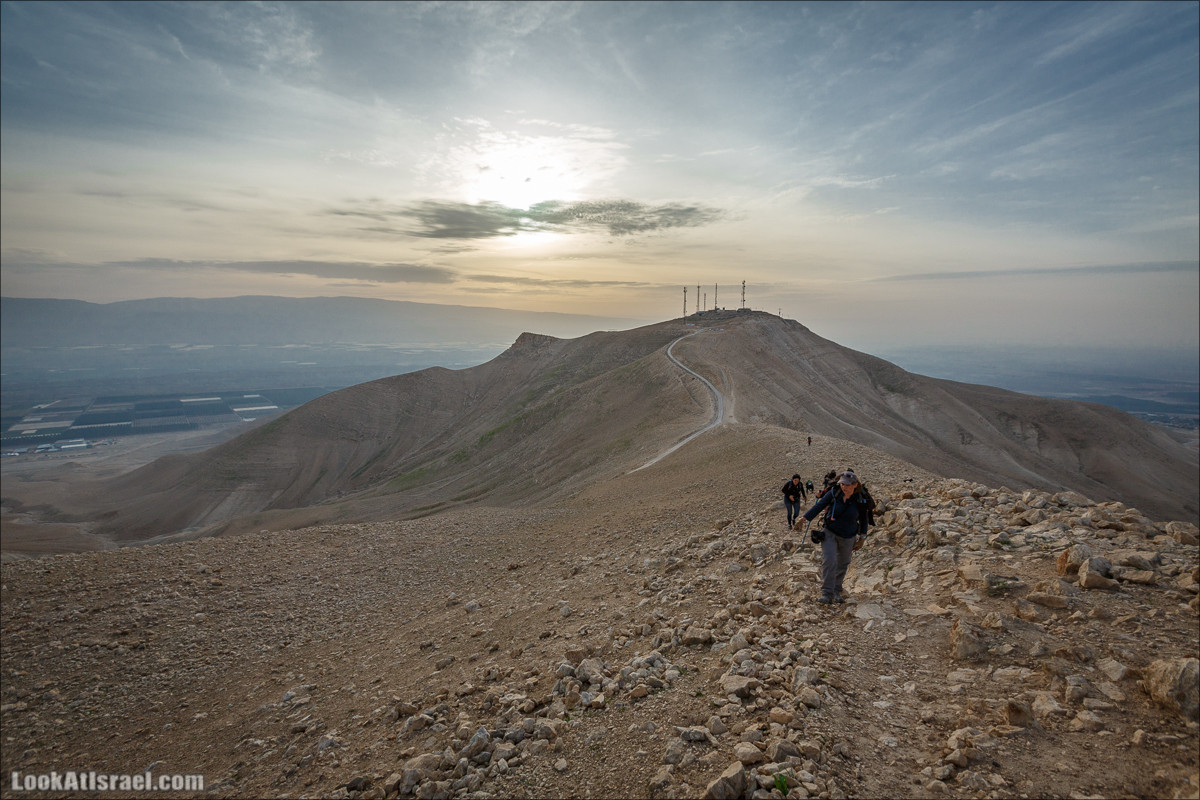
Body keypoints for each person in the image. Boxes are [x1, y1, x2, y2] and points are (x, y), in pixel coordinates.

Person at [801, 470, 870, 604]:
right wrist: (804, 519)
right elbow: (819, 506)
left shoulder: (860, 499)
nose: (844, 487)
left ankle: (837, 591)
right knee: (830, 560)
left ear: (855, 485)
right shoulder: (834, 493)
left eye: (847, 485)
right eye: (842, 484)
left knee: (843, 563)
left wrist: (862, 538)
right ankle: (827, 593)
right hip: (830, 532)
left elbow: (864, 519)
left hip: (849, 536)